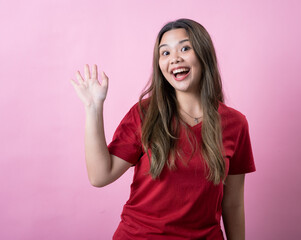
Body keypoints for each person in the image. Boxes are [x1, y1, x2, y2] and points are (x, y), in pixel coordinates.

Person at [70, 18, 255, 240]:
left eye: (185, 48)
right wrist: (93, 108)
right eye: (165, 53)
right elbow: (100, 175)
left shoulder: (235, 124)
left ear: (204, 54)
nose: (175, 58)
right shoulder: (145, 114)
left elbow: (233, 204)